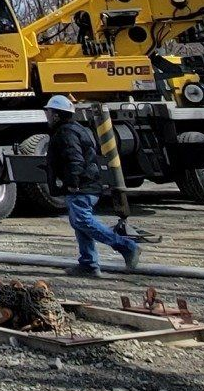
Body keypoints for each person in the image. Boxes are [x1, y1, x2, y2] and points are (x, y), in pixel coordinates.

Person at [45, 93, 138, 277]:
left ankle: (127, 247)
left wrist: (72, 183)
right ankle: (89, 264)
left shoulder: (66, 132)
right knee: (79, 222)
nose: (47, 116)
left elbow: (75, 159)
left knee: (82, 220)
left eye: (48, 112)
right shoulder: (73, 129)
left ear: (56, 114)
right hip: (87, 184)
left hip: (82, 186)